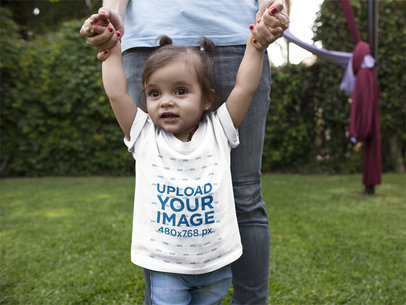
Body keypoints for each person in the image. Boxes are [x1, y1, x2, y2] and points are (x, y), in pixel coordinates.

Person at [81, 1, 289, 304]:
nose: (166, 102)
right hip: (164, 268)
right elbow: (116, 92)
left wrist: (255, 46)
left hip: (214, 270)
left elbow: (243, 88)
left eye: (180, 92)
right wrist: (111, 47)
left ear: (208, 100)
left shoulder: (220, 130)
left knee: (246, 195)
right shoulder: (142, 134)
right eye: (154, 93)